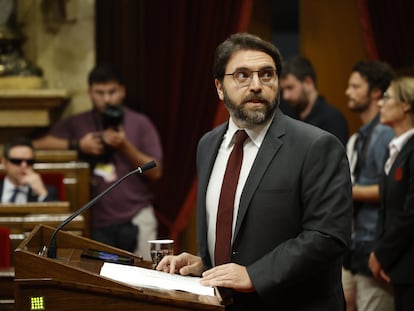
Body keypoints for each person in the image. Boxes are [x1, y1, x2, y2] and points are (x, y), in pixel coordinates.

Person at [157, 33, 352, 310]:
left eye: (267, 75)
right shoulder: (208, 144)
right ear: (219, 87)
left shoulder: (316, 146)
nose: (257, 85)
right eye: (242, 75)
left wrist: (255, 275)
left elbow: (328, 236)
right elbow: (236, 230)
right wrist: (207, 264)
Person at [33, 64, 163, 259]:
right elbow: (38, 144)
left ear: (122, 91)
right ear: (90, 93)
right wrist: (78, 145)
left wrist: (124, 145)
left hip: (136, 215)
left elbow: (156, 171)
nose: (106, 99)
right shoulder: (78, 123)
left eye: (112, 92)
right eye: (99, 93)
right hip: (96, 221)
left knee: (144, 275)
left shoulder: (140, 123)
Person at [343, 60, 396, 311]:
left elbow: (391, 189)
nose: (347, 92)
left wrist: (345, 191)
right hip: (358, 241)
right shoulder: (366, 132)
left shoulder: (385, 132)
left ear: (376, 91)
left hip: (374, 240)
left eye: (355, 86)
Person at [369, 77, 414, 311]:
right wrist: (379, 250)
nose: (379, 104)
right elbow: (386, 209)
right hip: (399, 267)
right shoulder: (396, 148)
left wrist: (382, 254)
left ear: (406, 105)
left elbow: (411, 214)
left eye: (386, 97)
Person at [279, 55, 349, 146]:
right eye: (283, 90)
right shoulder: (289, 118)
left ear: (308, 82)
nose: (285, 96)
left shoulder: (332, 119)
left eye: (290, 87)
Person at [1, 137, 59, 203]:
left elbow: (55, 212)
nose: (24, 166)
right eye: (17, 161)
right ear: (4, 162)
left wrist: (41, 193)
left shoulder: (48, 192)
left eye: (29, 162)